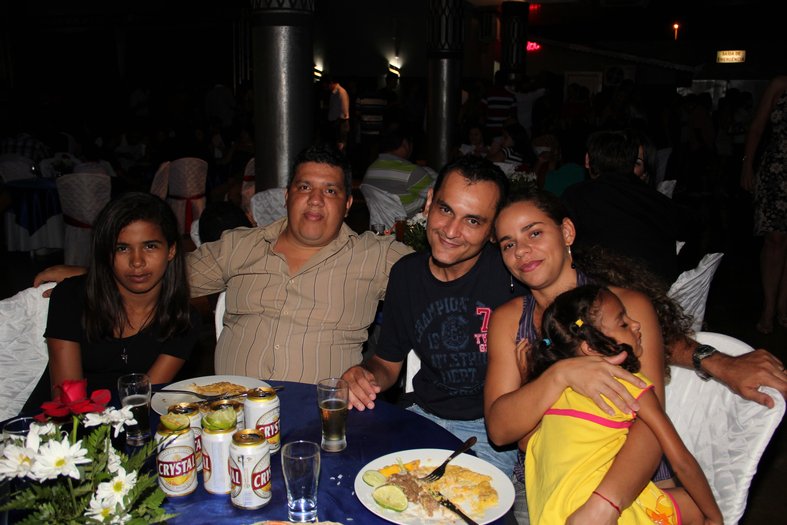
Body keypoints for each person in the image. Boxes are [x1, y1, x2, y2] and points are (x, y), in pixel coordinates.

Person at [486, 188, 787, 524]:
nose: (521, 251)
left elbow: (649, 426)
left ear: (567, 232)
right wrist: (561, 375)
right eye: (508, 244)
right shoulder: (510, 320)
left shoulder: (627, 308)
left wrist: (605, 504)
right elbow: (500, 430)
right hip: (552, 481)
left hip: (635, 484)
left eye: (534, 233)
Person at [35, 145, 412, 385]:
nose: (315, 200)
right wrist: (92, 274)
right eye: (304, 187)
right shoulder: (240, 246)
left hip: (320, 416)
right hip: (229, 416)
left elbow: (435, 278)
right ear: (287, 196)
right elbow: (165, 272)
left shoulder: (376, 256)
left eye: (330, 190)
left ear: (348, 204)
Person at [342, 155, 527, 477]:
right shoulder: (406, 275)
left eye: (473, 221)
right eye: (446, 209)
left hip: (488, 431)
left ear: (494, 230)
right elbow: (387, 364)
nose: (452, 231)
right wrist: (364, 376)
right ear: (429, 202)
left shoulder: (512, 277)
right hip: (420, 415)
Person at [525, 284, 722, 525]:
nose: (636, 324)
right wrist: (715, 518)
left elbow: (527, 444)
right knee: (697, 508)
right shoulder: (630, 385)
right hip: (603, 515)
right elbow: (682, 462)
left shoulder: (554, 390)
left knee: (681, 501)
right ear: (591, 348)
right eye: (623, 323)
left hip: (551, 513)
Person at [26, 192, 201, 408]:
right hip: (62, 425)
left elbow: (142, 402)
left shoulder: (182, 319)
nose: (137, 261)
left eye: (150, 246)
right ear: (107, 254)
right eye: (122, 248)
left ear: (171, 250)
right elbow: (68, 402)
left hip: (130, 422)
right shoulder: (71, 297)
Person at [562, 129, 695, 284]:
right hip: (659, 290)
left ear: (587, 160)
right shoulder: (658, 200)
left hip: (607, 290)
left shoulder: (576, 196)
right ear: (631, 163)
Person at [741, 75, 787, 334]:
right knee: (775, 238)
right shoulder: (780, 84)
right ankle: (769, 306)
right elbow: (757, 127)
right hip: (777, 169)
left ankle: (783, 304)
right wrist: (747, 164)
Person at [361, 123, 437, 219]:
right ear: (405, 143)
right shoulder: (411, 172)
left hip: (379, 225)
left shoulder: (370, 170)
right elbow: (439, 197)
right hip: (405, 226)